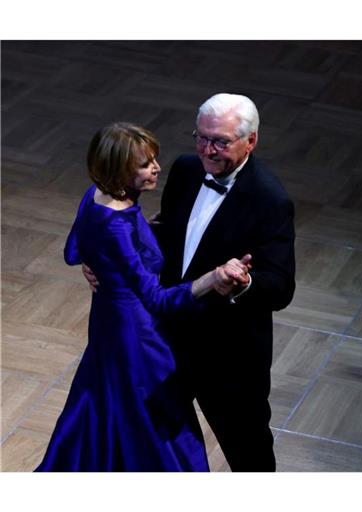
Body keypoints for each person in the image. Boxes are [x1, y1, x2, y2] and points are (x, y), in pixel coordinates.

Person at [37, 123, 250, 471]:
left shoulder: (95, 196)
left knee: (109, 409)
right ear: (119, 168)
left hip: (106, 324)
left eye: (154, 159)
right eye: (145, 164)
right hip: (138, 335)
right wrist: (212, 278)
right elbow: (159, 300)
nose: (156, 168)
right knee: (157, 425)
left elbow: (73, 250)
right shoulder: (117, 226)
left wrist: (102, 260)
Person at [149, 93, 295, 471]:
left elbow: (280, 286)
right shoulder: (185, 170)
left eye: (220, 142)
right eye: (201, 137)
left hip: (229, 357)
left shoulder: (269, 199)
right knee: (158, 446)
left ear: (251, 141)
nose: (207, 150)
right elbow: (167, 238)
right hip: (168, 341)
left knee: (249, 455)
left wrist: (244, 285)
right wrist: (111, 258)